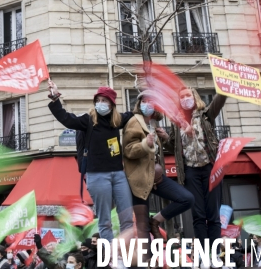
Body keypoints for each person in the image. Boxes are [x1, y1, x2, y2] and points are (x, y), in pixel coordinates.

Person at [47, 80, 134, 242]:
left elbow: (132, 115)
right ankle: (111, 259)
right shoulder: (88, 120)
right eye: (98, 101)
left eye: (104, 100)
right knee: (105, 221)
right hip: (97, 175)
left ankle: (128, 255)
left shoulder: (116, 120)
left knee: (127, 218)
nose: (100, 104)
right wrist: (55, 98)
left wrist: (145, 106)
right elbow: (66, 119)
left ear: (112, 104)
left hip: (119, 175)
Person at [122, 90, 194, 253]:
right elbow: (128, 150)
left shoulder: (154, 124)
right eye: (144, 101)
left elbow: (169, 149)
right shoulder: (134, 121)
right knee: (141, 226)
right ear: (139, 104)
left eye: (152, 101)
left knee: (187, 199)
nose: (148, 104)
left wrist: (166, 138)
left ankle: (155, 221)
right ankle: (146, 261)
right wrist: (144, 143)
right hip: (139, 180)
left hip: (157, 178)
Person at [168, 86, 228, 251]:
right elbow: (172, 145)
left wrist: (225, 84)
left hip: (210, 168)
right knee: (198, 216)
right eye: (182, 96)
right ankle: (203, 254)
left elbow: (219, 101)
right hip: (190, 171)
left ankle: (215, 254)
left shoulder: (206, 115)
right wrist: (164, 137)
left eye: (188, 95)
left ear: (195, 97)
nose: (185, 98)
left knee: (213, 215)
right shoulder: (176, 122)